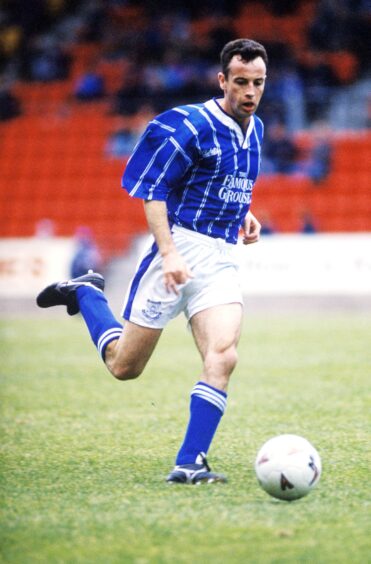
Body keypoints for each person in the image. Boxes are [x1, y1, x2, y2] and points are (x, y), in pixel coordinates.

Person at [36, 38, 268, 484]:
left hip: (221, 257)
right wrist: (168, 253)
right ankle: (86, 292)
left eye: (257, 83)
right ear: (222, 81)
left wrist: (245, 212)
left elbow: (227, 179)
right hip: (178, 247)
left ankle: (189, 462)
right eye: (240, 82)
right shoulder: (192, 125)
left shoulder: (255, 128)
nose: (250, 92)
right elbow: (154, 191)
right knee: (125, 366)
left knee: (223, 355)